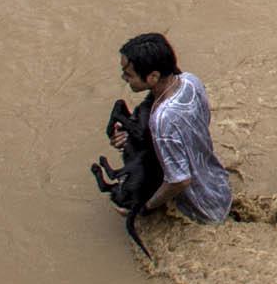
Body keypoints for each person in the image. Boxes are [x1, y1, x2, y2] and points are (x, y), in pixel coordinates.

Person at [90, 32, 233, 232]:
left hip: (199, 209)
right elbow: (199, 126)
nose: (124, 78)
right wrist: (133, 140)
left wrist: (145, 208)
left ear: (153, 76)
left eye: (129, 74)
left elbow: (180, 181)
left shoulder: (162, 120)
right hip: (218, 184)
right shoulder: (190, 81)